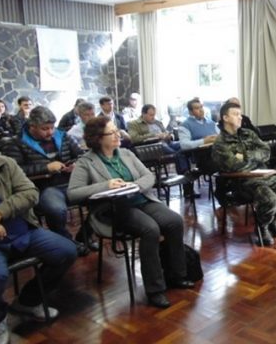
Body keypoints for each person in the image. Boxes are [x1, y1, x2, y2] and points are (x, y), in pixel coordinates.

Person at [67, 116, 194, 308]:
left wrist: (135, 186)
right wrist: (106, 185)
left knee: (174, 221)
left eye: (117, 130)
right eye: (112, 132)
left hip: (141, 200)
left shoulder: (126, 153)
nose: (118, 135)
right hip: (113, 209)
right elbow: (73, 194)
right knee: (150, 229)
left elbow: (148, 175)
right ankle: (155, 289)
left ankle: (177, 275)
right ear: (98, 138)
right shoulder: (86, 162)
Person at [0, 155, 77, 342]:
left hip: (22, 230)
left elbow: (30, 192)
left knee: (66, 251)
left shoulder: (4, 163)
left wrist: (0, 212)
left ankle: (28, 301)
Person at [212, 102, 276, 246]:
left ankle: (271, 219)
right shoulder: (220, 143)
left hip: (263, 175)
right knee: (271, 199)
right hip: (240, 183)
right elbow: (234, 167)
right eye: (236, 114)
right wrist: (255, 159)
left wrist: (246, 157)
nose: (240, 117)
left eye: (240, 114)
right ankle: (262, 227)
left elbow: (266, 151)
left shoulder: (248, 134)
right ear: (225, 118)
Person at [1, 106, 90, 256]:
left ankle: (85, 236)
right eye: (45, 129)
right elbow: (14, 172)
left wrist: (76, 165)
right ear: (32, 126)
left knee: (103, 199)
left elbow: (82, 156)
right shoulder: (16, 143)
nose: (50, 132)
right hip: (43, 188)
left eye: (52, 127)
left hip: (71, 183)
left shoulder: (63, 136)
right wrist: (45, 168)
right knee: (56, 209)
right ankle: (67, 241)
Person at [128, 104, 188, 173]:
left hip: (167, 142)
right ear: (143, 114)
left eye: (154, 115)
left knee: (183, 144)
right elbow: (134, 138)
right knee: (176, 152)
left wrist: (169, 136)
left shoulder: (157, 122)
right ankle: (184, 172)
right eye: (151, 115)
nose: (153, 117)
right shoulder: (134, 124)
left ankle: (185, 169)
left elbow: (166, 132)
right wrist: (154, 135)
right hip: (152, 146)